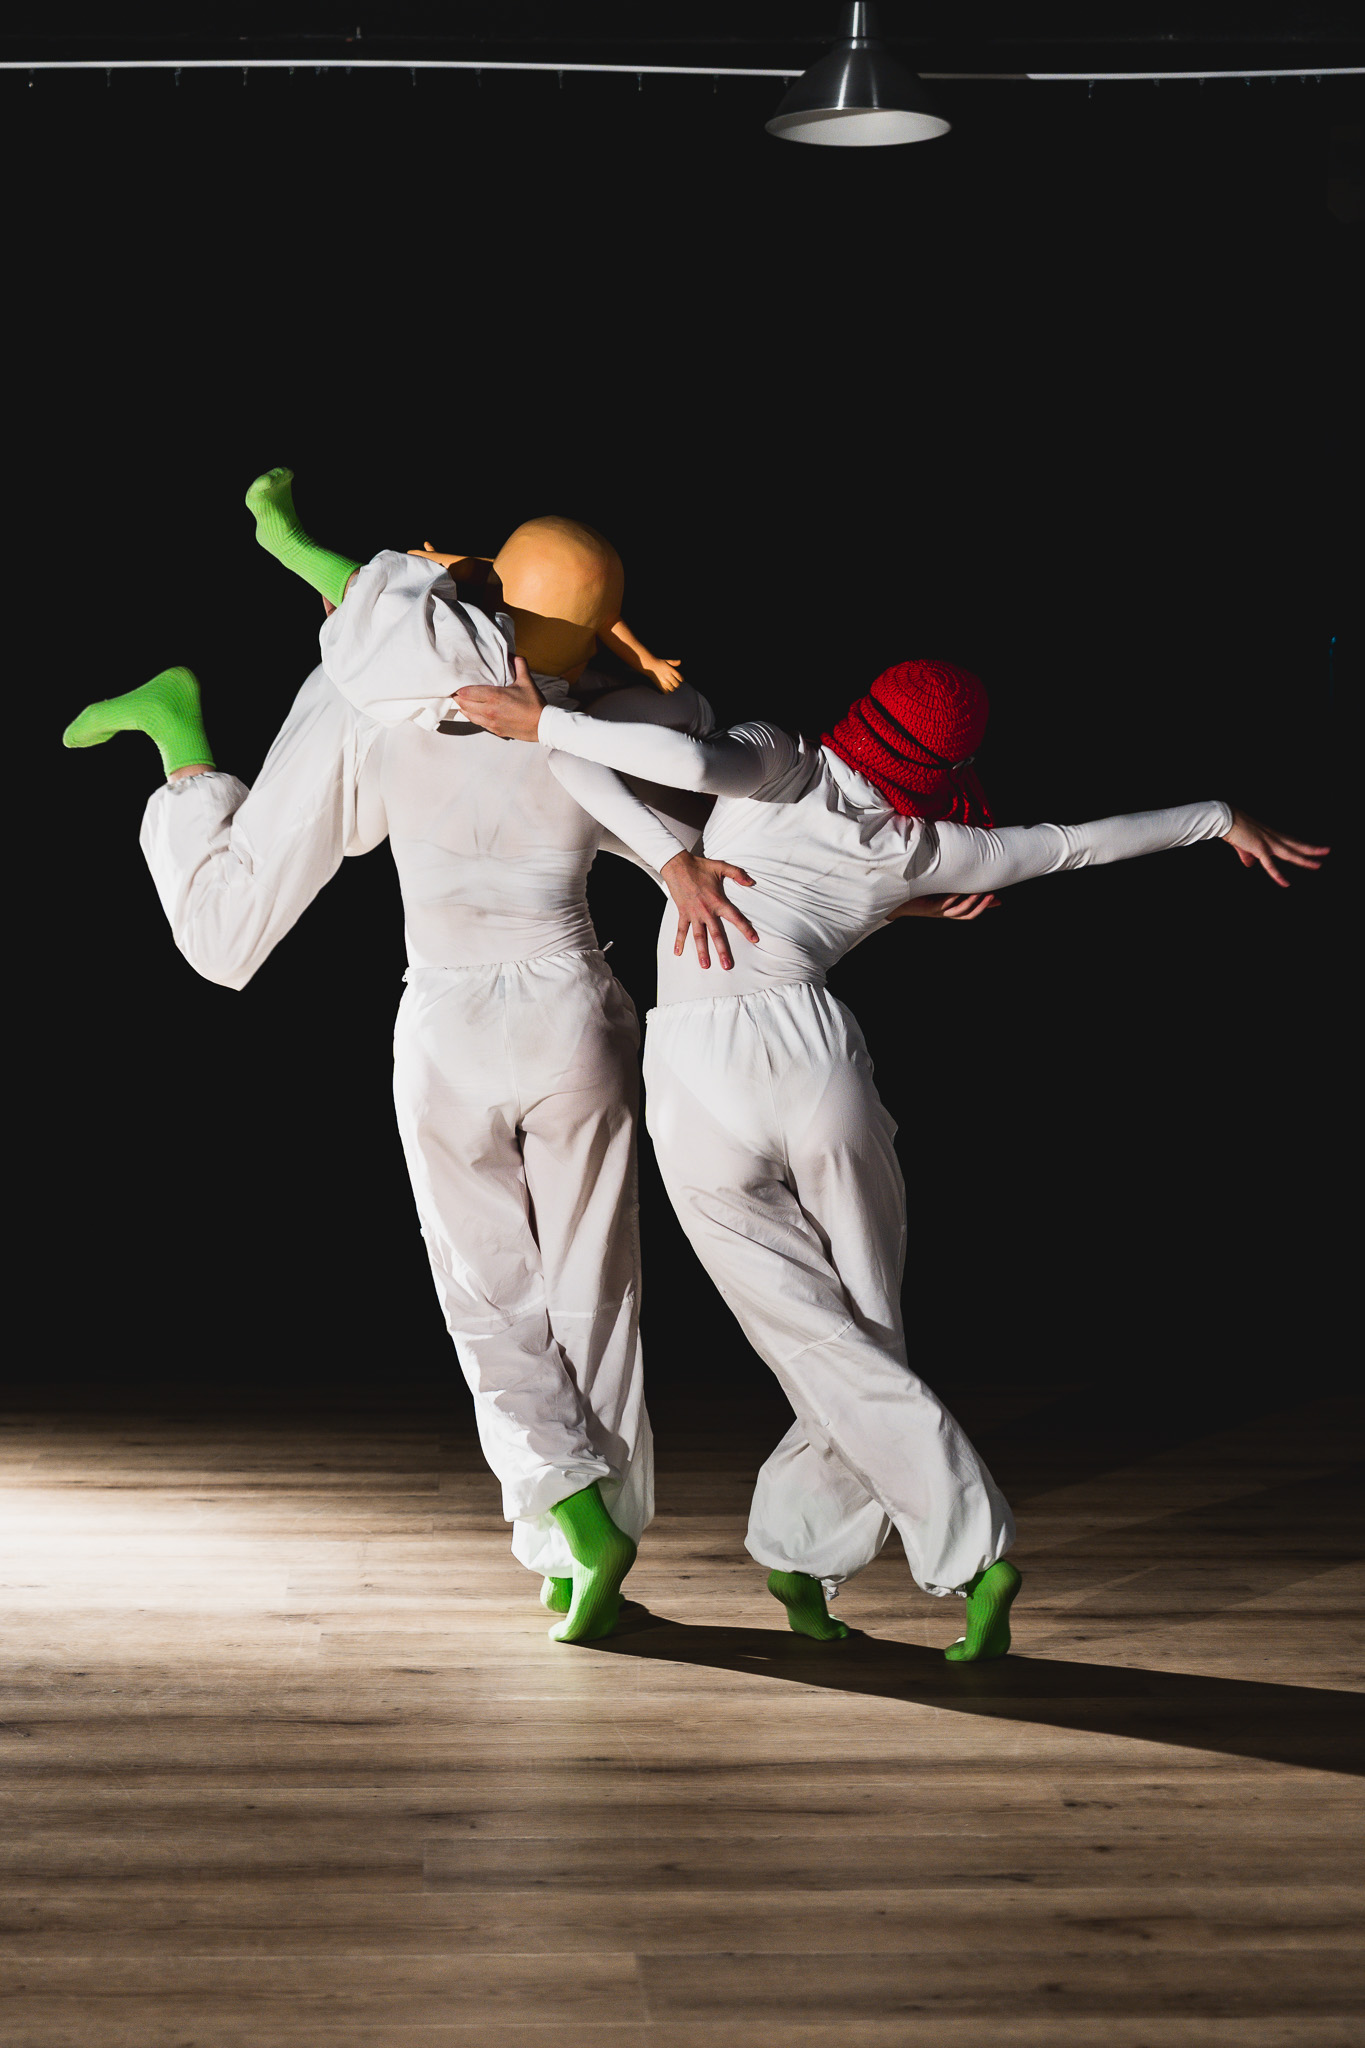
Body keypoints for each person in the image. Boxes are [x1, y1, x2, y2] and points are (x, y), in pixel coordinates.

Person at [453, 657, 1329, 1660]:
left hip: (698, 1070)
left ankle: (957, 1553)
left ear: (865, 715)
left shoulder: (782, 759)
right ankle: (809, 1555)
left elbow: (674, 762)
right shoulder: (926, 848)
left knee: (813, 1335)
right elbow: (1075, 844)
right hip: (818, 1065)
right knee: (864, 1325)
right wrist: (1218, 818)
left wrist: (550, 729)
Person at [60, 474, 757, 1646]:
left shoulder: (393, 691)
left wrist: (363, 567)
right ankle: (583, 1546)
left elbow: (377, 614)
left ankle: (573, 1516)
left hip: (450, 1021)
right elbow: (695, 733)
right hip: (576, 1014)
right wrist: (628, 662)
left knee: (487, 1289)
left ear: (489, 606)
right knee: (600, 1288)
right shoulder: (615, 729)